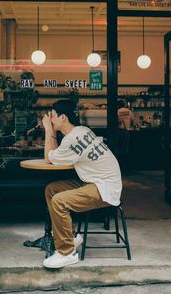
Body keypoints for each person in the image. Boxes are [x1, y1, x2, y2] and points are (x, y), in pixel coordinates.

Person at [42, 100, 122, 269]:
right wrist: (52, 132)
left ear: (63, 117)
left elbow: (48, 158)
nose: (50, 119)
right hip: (96, 181)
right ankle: (70, 236)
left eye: (53, 116)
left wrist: (48, 130)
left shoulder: (72, 139)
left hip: (104, 188)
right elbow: (55, 154)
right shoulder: (81, 131)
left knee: (59, 200)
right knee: (52, 189)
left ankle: (66, 253)